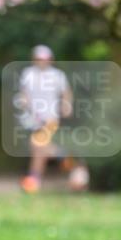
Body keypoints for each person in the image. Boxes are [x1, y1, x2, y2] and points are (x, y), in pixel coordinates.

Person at [16, 45, 74, 193]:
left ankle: (34, 180)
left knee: (37, 144)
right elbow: (24, 93)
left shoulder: (57, 75)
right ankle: (65, 159)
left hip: (50, 118)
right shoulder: (28, 73)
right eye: (39, 59)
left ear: (50, 60)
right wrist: (23, 102)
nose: (42, 61)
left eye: (45, 59)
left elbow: (66, 93)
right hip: (33, 118)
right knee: (38, 149)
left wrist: (66, 105)